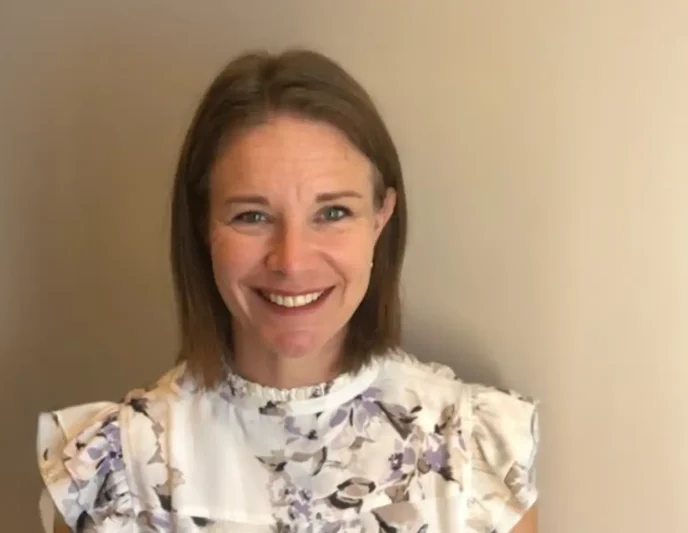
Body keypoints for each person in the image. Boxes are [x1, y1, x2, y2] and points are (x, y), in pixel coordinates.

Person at [36, 48, 539, 533]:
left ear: (380, 218)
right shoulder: (117, 475)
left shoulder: (472, 457)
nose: (292, 261)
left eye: (333, 212)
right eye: (252, 216)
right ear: (203, 225)